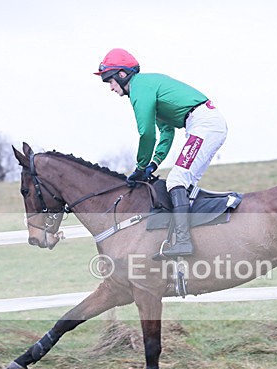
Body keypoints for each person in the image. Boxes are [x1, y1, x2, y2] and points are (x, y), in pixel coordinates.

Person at [95, 48, 227, 258]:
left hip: (204, 125)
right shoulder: (146, 87)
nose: (110, 87)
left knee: (176, 180)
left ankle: (184, 242)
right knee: (185, 183)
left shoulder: (140, 88)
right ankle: (198, 236)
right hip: (204, 124)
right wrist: (153, 164)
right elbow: (166, 131)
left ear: (122, 74)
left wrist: (140, 167)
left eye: (109, 80)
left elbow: (146, 133)